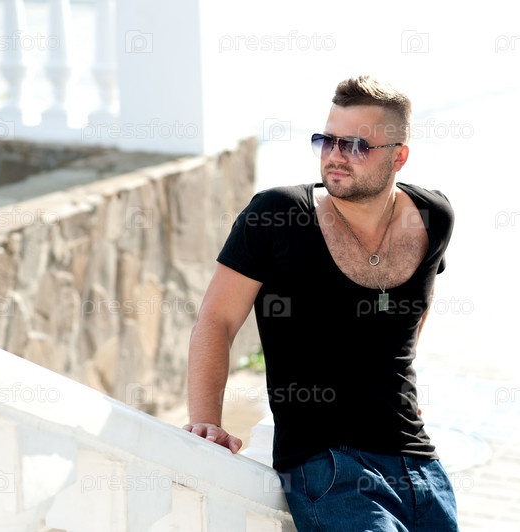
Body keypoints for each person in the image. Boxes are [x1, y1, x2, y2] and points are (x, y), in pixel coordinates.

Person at [183, 75, 458, 531]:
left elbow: (419, 303)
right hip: (328, 465)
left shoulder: (432, 217)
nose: (335, 155)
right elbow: (217, 319)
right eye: (327, 140)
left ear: (398, 156)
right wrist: (205, 420)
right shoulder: (276, 215)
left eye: (356, 146)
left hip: (418, 461)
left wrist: (404, 384)